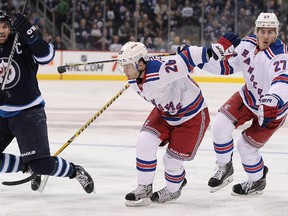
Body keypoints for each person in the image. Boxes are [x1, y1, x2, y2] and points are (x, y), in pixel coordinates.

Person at [117, 39, 238, 206]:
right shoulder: (135, 79)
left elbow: (188, 56)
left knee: (171, 161)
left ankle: (175, 187)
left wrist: (212, 50)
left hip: (192, 115)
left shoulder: (162, 71)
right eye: (123, 66)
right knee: (144, 141)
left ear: (141, 64)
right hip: (166, 111)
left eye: (128, 66)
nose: (124, 71)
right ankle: (144, 187)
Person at [0, 11, 94, 193]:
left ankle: (75, 171)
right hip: (2, 114)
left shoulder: (20, 40)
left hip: (28, 112)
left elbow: (47, 57)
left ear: (10, 27)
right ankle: (28, 167)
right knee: (34, 165)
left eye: (4, 26)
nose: (1, 31)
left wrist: (30, 34)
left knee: (42, 165)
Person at [200, 12, 288, 195]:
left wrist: (274, 99)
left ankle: (257, 180)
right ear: (256, 31)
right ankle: (225, 167)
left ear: (276, 33)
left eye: (270, 31)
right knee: (219, 125)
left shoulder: (281, 55)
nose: (266, 36)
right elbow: (225, 66)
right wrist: (197, 58)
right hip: (248, 97)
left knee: (245, 146)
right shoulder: (247, 44)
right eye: (262, 31)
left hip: (272, 109)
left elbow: (283, 81)